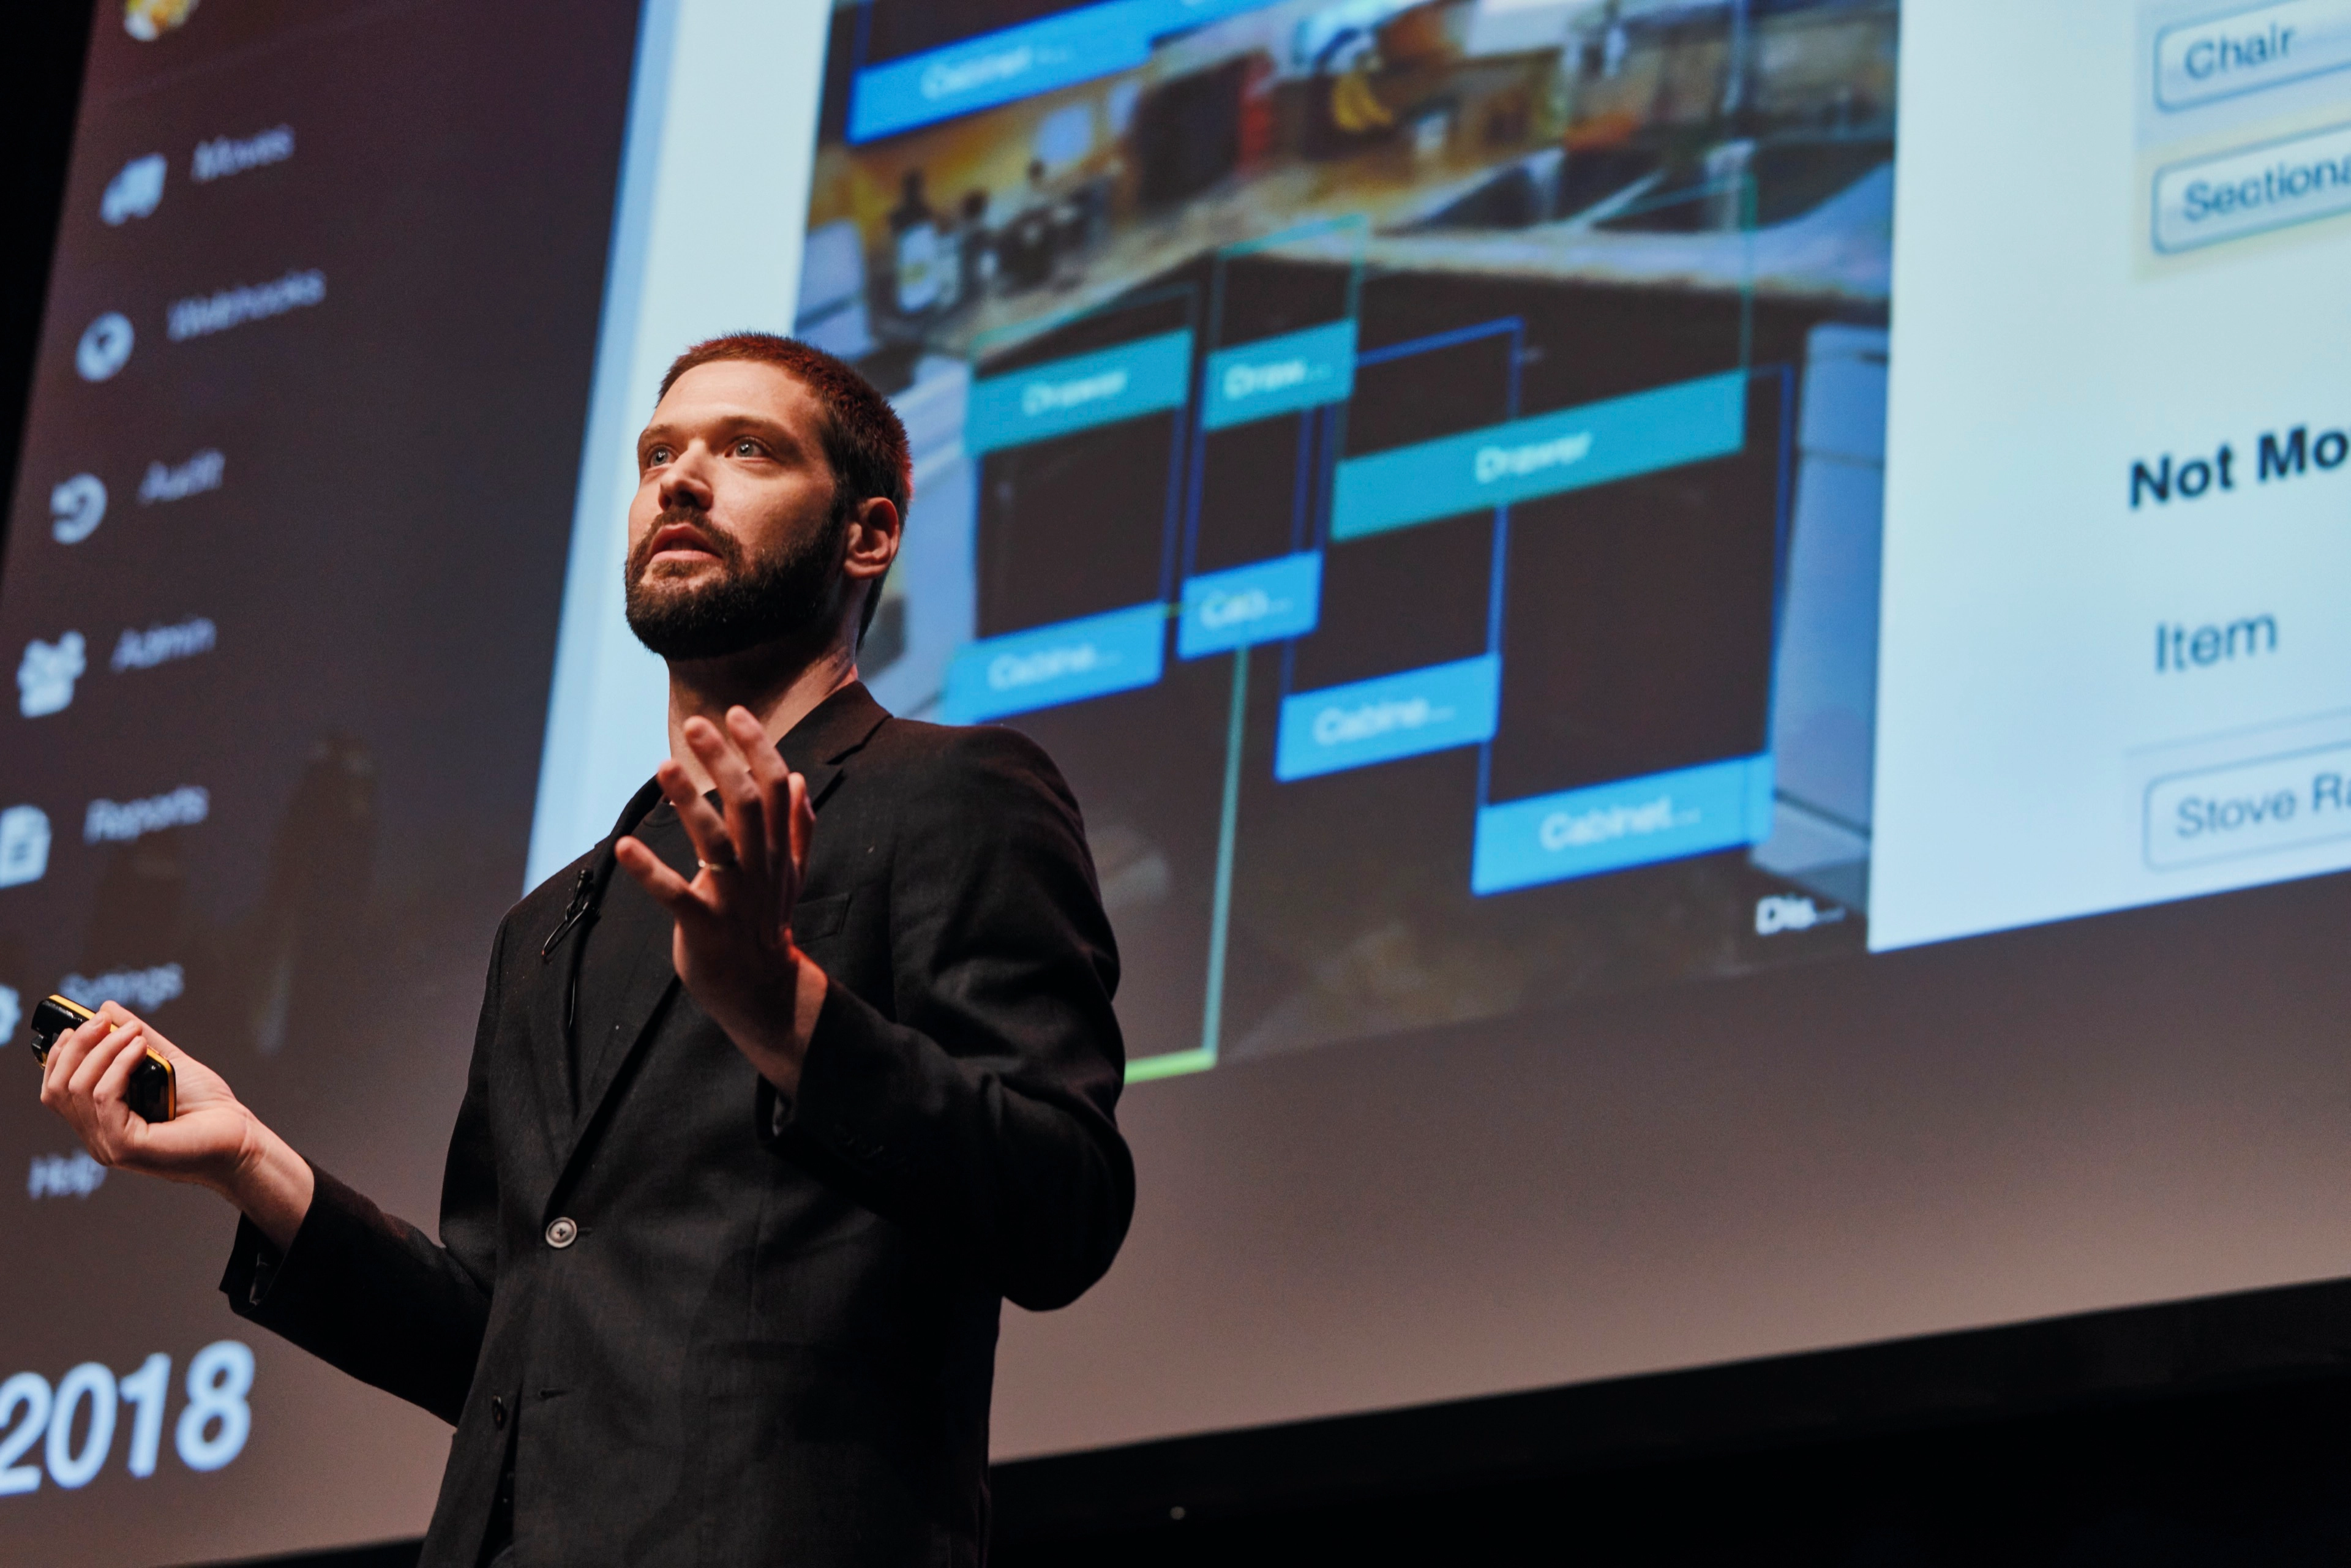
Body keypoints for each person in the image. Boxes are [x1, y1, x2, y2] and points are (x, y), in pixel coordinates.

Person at [38, 334, 1134, 1567]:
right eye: (659, 452)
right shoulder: (548, 922)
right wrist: (249, 1161)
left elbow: (1063, 1205)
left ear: (868, 534)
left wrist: (785, 1012)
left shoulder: (955, 796)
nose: (680, 478)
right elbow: (513, 1352)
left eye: (746, 448)